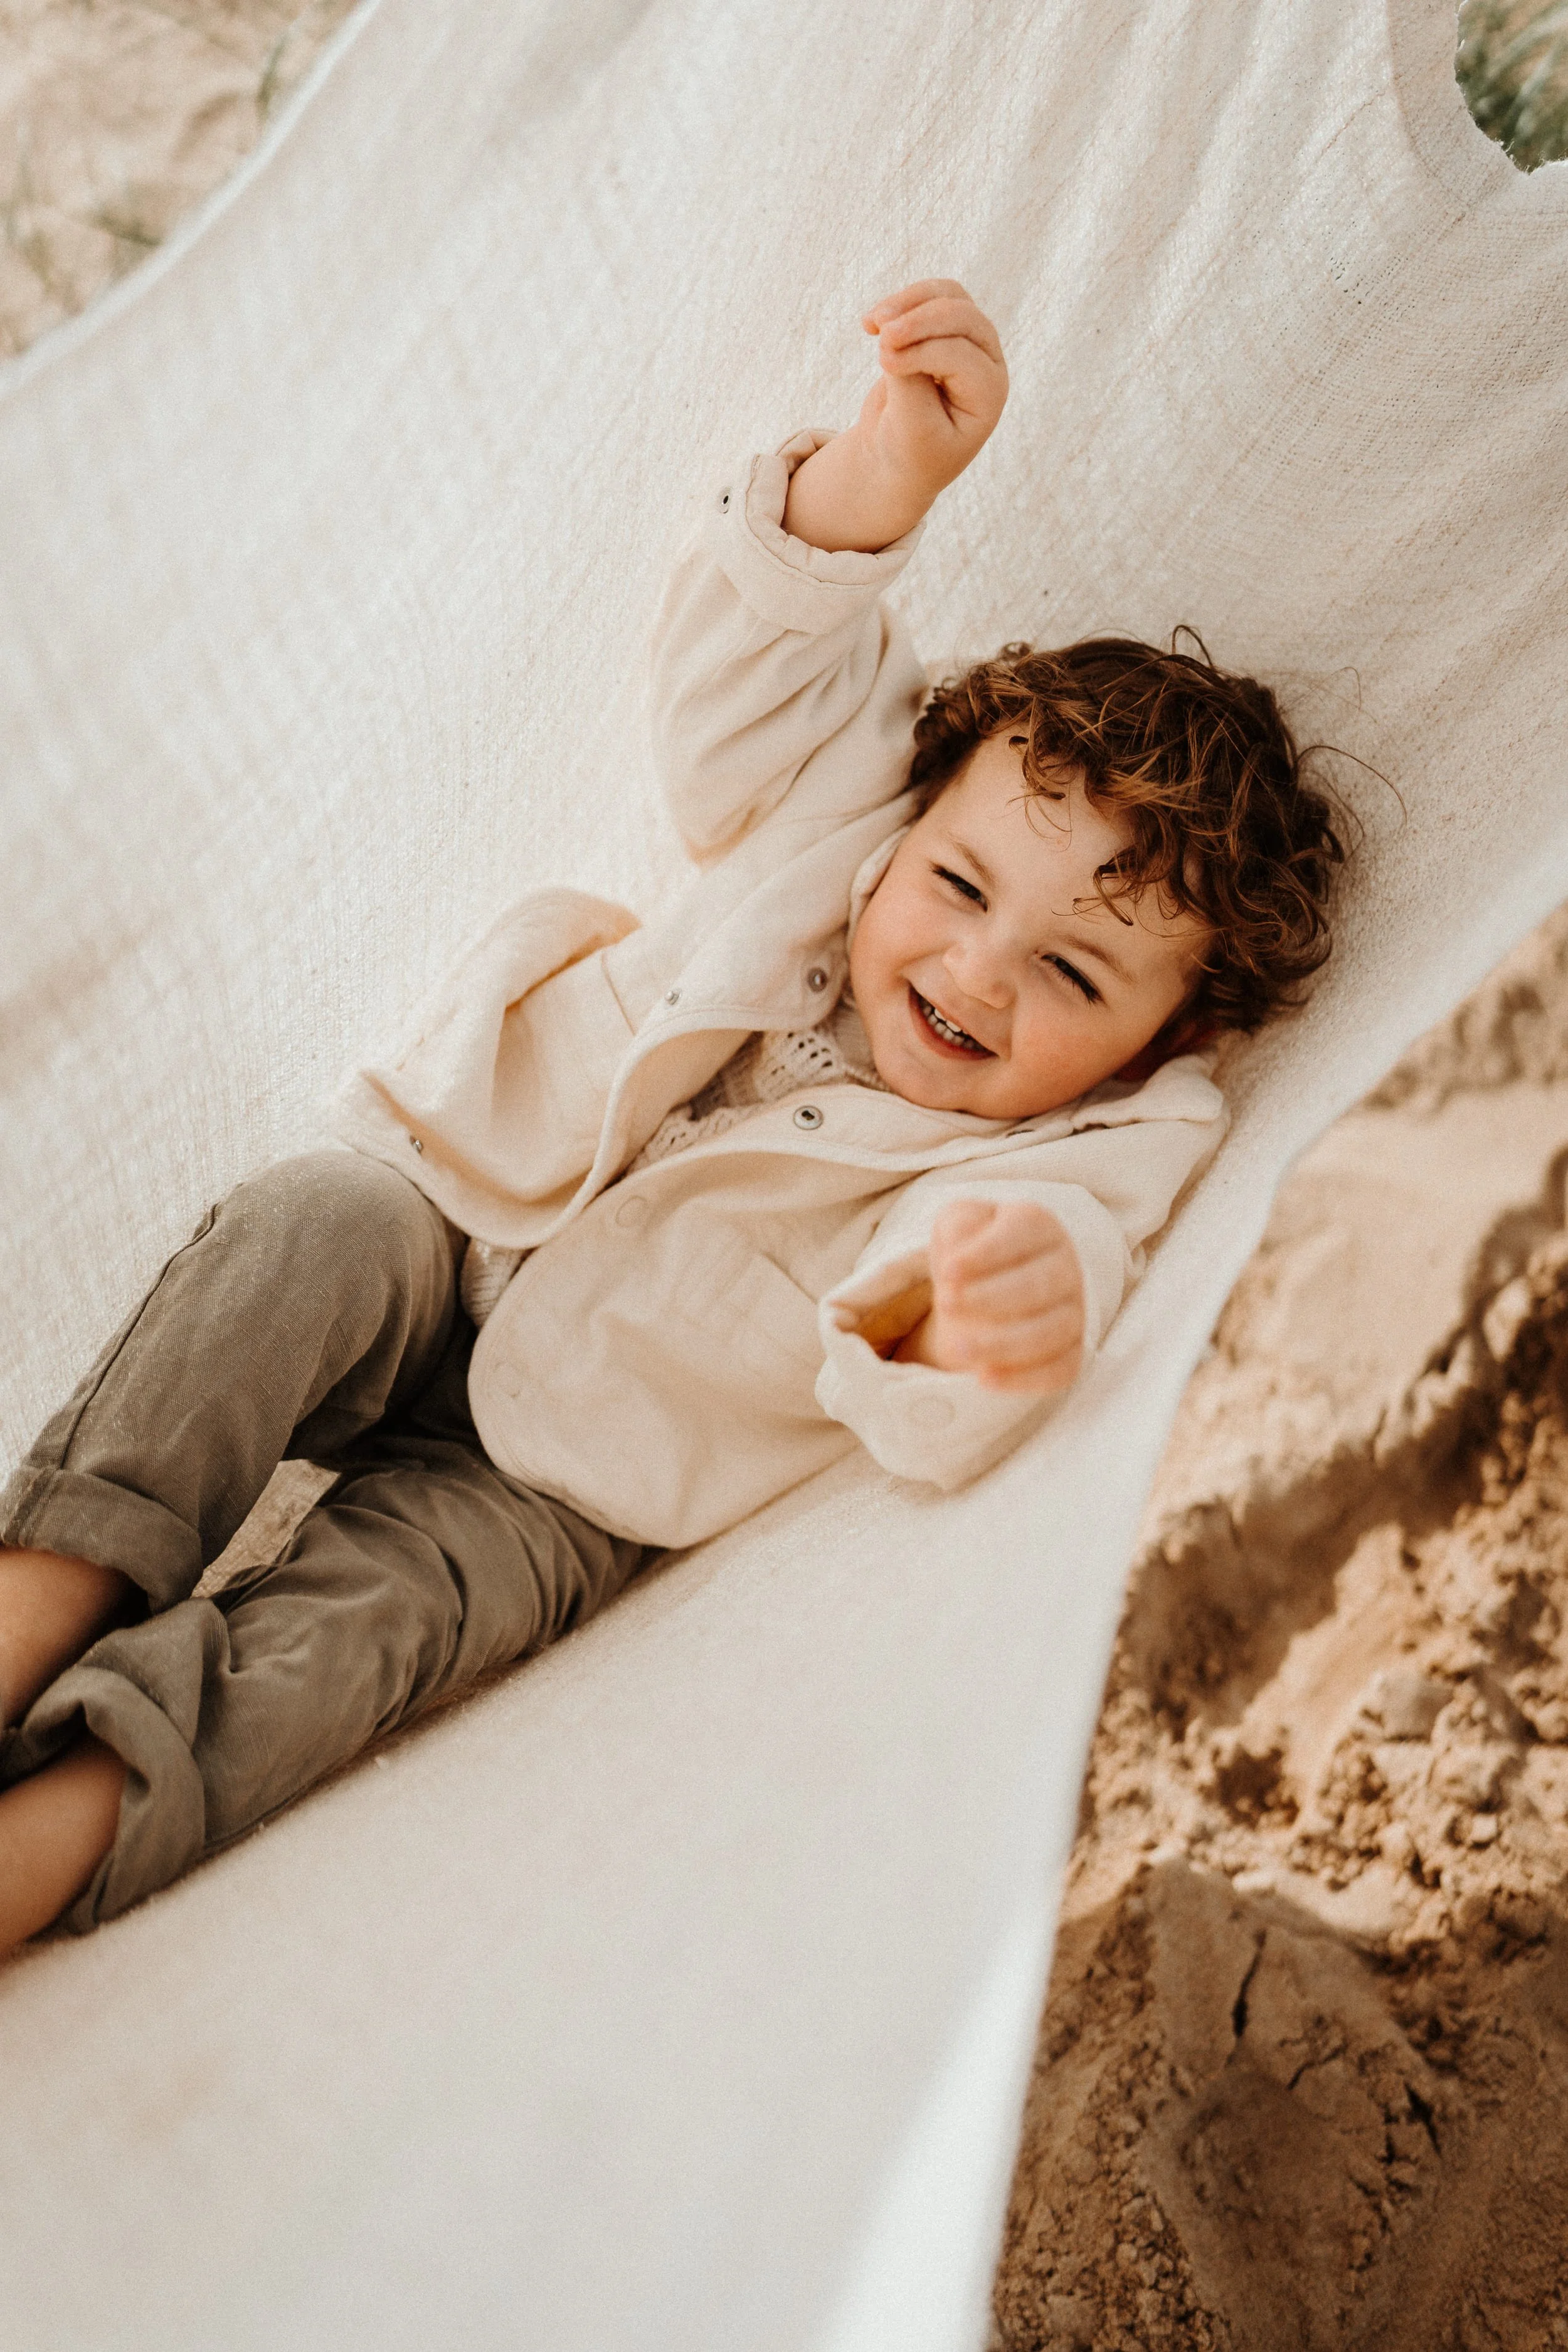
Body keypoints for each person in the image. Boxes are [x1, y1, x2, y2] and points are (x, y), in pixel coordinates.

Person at [0, 280, 1343, 1951]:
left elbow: (1009, 1266)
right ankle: (40, 1598)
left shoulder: (1110, 1137)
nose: (975, 969)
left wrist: (988, 1314)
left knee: (366, 1628)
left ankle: (45, 1835)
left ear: (1173, 1030)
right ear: (907, 821)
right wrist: (876, 484)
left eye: (1071, 976)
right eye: (958, 883)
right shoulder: (837, 817)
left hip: (581, 1474)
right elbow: (757, 664)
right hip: (466, 1213)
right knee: (301, 1230)